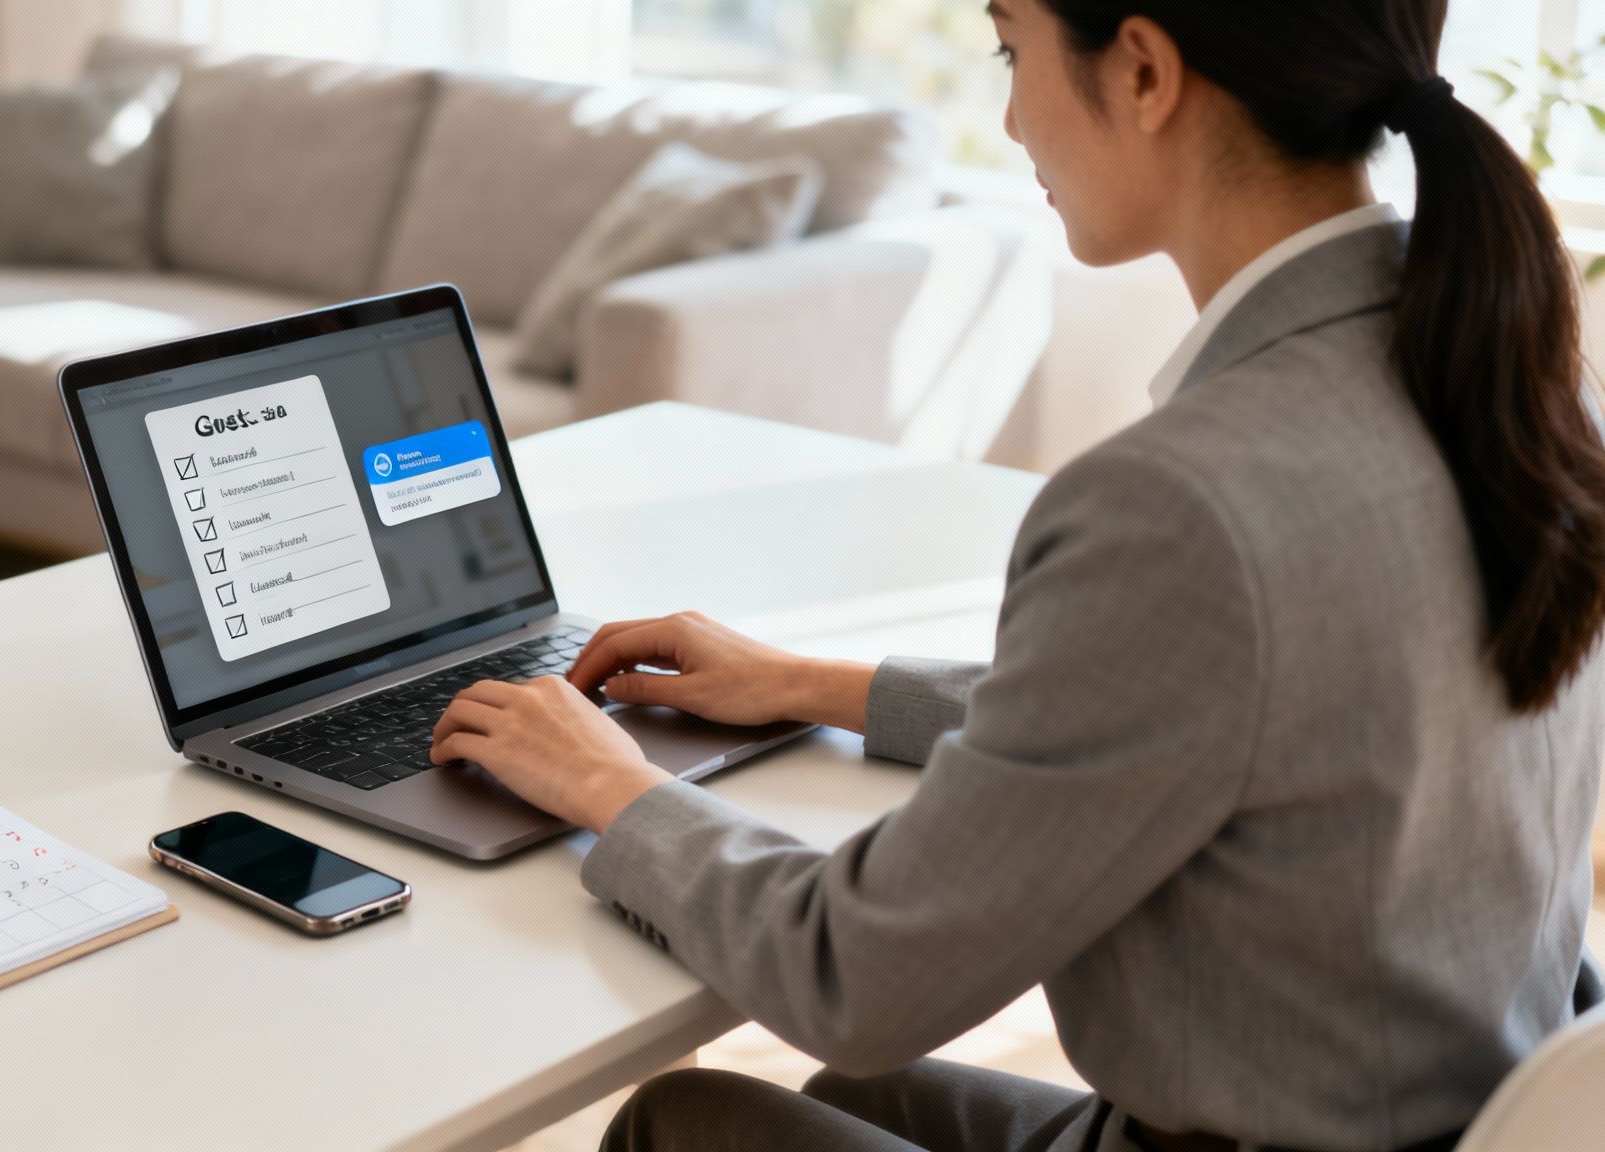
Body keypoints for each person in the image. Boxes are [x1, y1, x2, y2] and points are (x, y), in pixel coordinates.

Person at [428, 1, 1605, 1150]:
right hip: (1455, 1103)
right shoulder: (1507, 371)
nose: (1004, 120)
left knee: (681, 1119)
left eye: (1010, 45)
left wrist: (609, 788)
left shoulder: (1181, 501)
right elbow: (1205, 707)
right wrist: (812, 684)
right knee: (853, 1096)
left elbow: (855, 974)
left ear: (1142, 69)